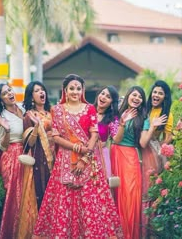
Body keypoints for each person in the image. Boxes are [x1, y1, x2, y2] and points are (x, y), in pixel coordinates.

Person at [33, 74, 123, 239]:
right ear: (65, 90)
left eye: (78, 88)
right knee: (64, 200)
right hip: (64, 160)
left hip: (88, 160)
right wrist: (76, 147)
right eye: (72, 88)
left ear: (82, 90)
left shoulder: (90, 109)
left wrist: (84, 158)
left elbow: (94, 134)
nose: (75, 91)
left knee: (90, 202)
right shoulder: (57, 110)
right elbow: (56, 136)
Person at [110, 86, 167, 239]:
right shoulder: (117, 114)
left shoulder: (144, 118)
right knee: (114, 194)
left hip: (131, 157)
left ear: (142, 101)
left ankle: (129, 234)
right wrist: (122, 122)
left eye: (140, 97)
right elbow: (115, 139)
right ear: (128, 95)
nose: (136, 98)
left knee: (130, 195)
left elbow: (142, 143)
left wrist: (152, 127)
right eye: (134, 95)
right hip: (115, 154)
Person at [17, 81, 54, 239]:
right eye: (37, 91)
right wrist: (37, 127)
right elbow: (28, 144)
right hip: (41, 159)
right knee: (43, 194)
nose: (41, 93)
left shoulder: (52, 112)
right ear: (31, 96)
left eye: (42, 90)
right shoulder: (29, 116)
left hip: (59, 159)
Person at [0, 83, 25, 239]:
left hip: (27, 154)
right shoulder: (1, 117)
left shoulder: (23, 109)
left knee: (27, 194)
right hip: (11, 156)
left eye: (10, 90)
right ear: (1, 99)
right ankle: (13, 233)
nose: (10, 94)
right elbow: (2, 146)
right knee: (15, 196)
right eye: (5, 93)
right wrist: (6, 130)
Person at [141, 80, 173, 238]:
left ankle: (150, 230)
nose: (156, 95)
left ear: (165, 96)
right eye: (155, 92)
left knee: (150, 188)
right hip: (137, 148)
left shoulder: (166, 113)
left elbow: (169, 136)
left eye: (160, 93)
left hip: (152, 152)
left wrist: (158, 145)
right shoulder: (144, 108)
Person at [94, 86, 136, 179]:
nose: (103, 97)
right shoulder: (87, 111)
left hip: (101, 156)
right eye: (102, 93)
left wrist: (122, 125)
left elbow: (116, 139)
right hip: (84, 153)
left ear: (112, 102)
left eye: (108, 97)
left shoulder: (112, 118)